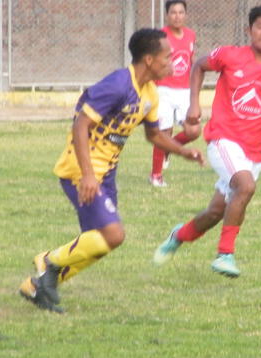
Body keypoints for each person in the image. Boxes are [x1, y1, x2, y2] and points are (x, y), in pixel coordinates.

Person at [19, 28, 205, 313]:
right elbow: (81, 125)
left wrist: (183, 151)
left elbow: (154, 135)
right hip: (81, 171)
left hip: (106, 174)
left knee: (100, 244)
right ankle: (47, 261)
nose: (172, 62)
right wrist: (88, 176)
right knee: (114, 235)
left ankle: (37, 286)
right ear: (148, 59)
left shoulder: (150, 93)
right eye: (167, 57)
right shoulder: (119, 84)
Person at [153, 4, 261, 277]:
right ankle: (225, 254)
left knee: (216, 211)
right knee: (245, 187)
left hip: (255, 151)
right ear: (249, 30)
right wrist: (194, 105)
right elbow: (199, 66)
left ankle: (179, 235)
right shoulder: (230, 55)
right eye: (259, 27)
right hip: (223, 139)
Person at [149, 0, 199, 187]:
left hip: (185, 90)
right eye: (173, 13)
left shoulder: (191, 35)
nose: (177, 16)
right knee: (163, 132)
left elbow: (191, 62)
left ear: (185, 15)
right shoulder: (160, 36)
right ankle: (156, 175)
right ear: (167, 15)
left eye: (180, 12)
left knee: (193, 131)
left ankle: (168, 149)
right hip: (164, 90)